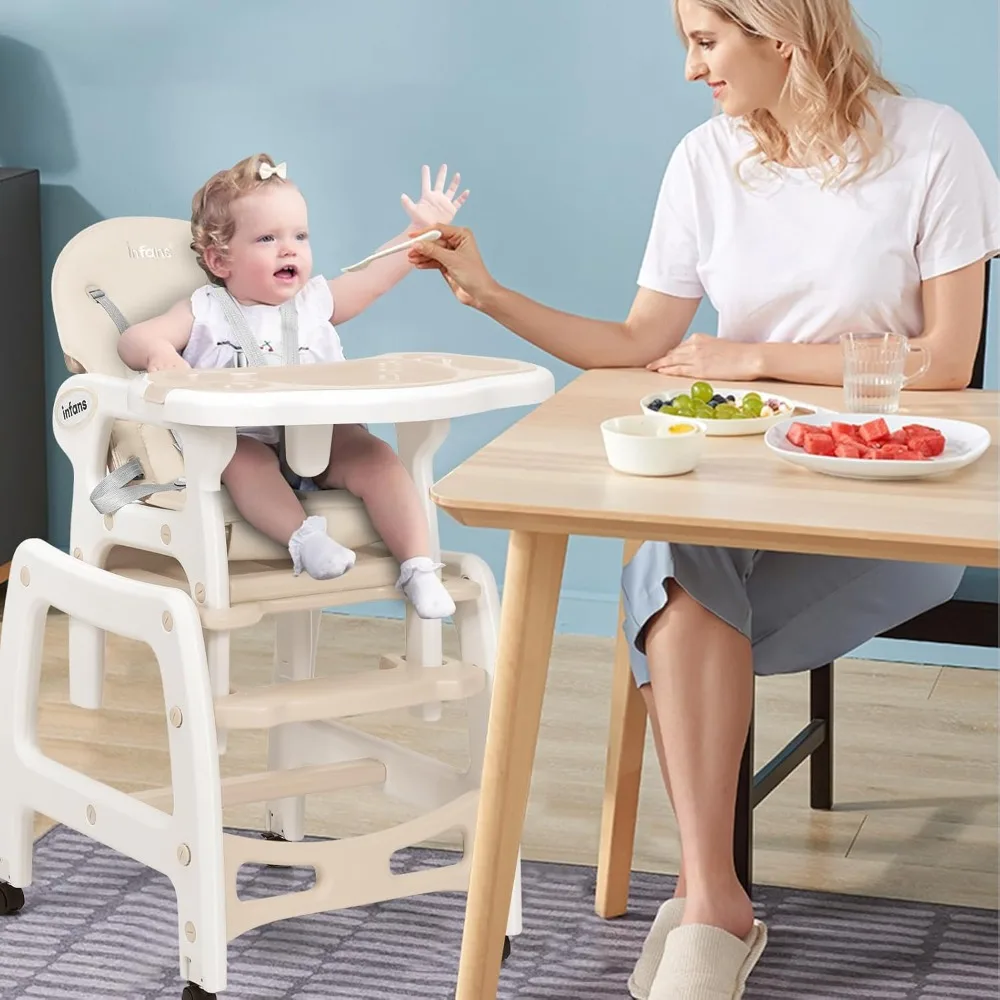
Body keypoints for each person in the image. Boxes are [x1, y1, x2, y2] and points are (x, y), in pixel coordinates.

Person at [408, 0, 1000, 996]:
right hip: (738, 491)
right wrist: (488, 292)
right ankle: (714, 897)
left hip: (891, 500)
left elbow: (945, 360)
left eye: (705, 41)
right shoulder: (705, 159)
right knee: (668, 560)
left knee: (667, 602)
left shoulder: (933, 143)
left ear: (781, 33)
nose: (691, 69)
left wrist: (754, 356)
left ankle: (702, 896)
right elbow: (639, 344)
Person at [118, 154, 470, 619]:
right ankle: (305, 540)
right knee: (243, 460)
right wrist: (159, 352)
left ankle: (418, 567)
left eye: (300, 236)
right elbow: (133, 339)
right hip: (240, 438)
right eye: (267, 238)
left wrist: (420, 231)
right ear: (220, 259)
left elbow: (374, 278)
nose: (289, 250)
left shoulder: (315, 302)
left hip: (323, 436)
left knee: (378, 458)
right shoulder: (206, 310)